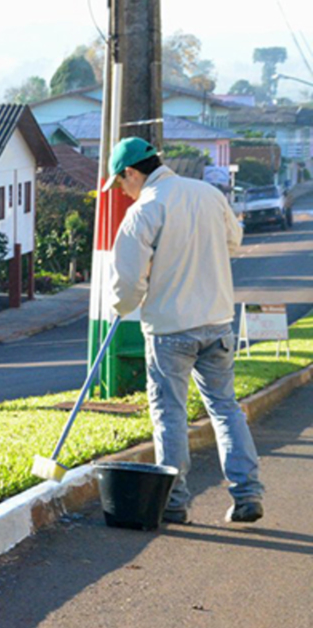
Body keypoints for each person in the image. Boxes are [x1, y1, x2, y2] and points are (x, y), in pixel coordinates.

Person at [105, 136, 264, 524]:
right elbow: (234, 240)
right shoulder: (208, 193)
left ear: (131, 172)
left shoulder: (144, 210)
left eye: (121, 184)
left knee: (170, 415)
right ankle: (247, 495)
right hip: (217, 321)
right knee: (225, 408)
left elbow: (126, 281)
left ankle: (174, 503)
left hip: (169, 328)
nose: (123, 193)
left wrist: (122, 307)